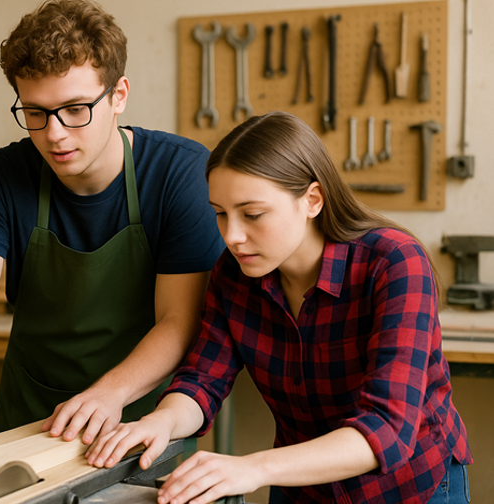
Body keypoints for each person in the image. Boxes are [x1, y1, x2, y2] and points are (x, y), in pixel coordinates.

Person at [85, 111, 473, 504]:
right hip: (302, 488)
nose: (232, 236)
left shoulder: (394, 262)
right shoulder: (233, 274)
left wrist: (252, 468)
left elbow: (388, 428)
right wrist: (161, 421)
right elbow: (202, 380)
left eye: (252, 215)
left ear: (312, 200)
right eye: (220, 213)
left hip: (409, 489)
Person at [0, 0, 225, 460]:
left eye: (75, 109)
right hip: (28, 426)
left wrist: (109, 394)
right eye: (36, 112)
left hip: (138, 425)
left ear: (119, 95)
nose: (55, 134)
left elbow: (178, 319)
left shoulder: (181, 175)